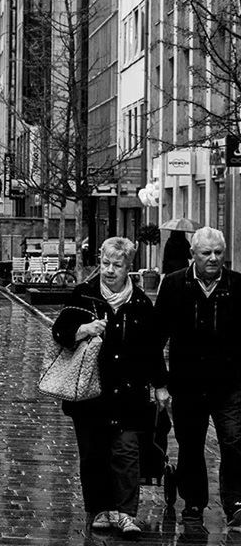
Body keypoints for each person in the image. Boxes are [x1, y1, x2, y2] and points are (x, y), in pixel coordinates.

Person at [51, 236, 167, 539]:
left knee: (127, 451)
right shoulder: (84, 295)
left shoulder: (140, 303)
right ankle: (100, 509)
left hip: (129, 392)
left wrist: (161, 385)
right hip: (91, 390)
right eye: (105, 263)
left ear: (129, 266)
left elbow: (152, 349)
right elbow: (59, 331)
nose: (110, 270)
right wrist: (83, 329)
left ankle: (127, 513)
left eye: (117, 265)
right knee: (93, 453)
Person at [154, 226, 241, 530]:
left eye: (219, 253)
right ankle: (193, 502)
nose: (214, 258)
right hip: (187, 382)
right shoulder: (175, 285)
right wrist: (160, 383)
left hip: (228, 383)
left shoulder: (236, 285)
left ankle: (235, 503)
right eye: (207, 253)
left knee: (233, 441)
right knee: (190, 444)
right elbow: (157, 337)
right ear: (193, 254)